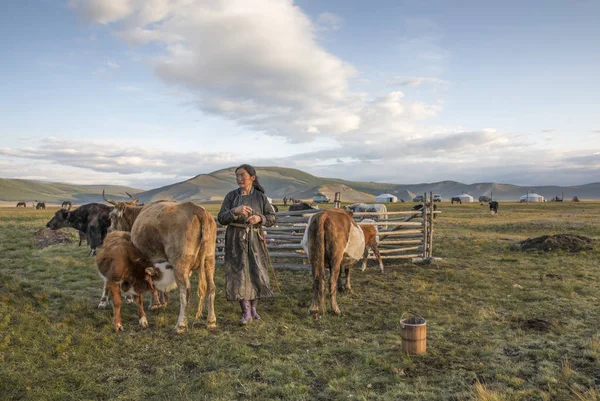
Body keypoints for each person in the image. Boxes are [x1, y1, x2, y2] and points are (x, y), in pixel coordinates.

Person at [218, 164, 276, 325]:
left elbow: (271, 217)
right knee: (238, 272)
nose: (239, 178)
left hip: (255, 238)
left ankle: (254, 309)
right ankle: (246, 312)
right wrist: (234, 211)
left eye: (242, 175)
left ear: (252, 177)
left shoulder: (260, 197)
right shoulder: (231, 197)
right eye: (237, 176)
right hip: (235, 239)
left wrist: (259, 219)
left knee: (256, 270)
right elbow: (221, 218)